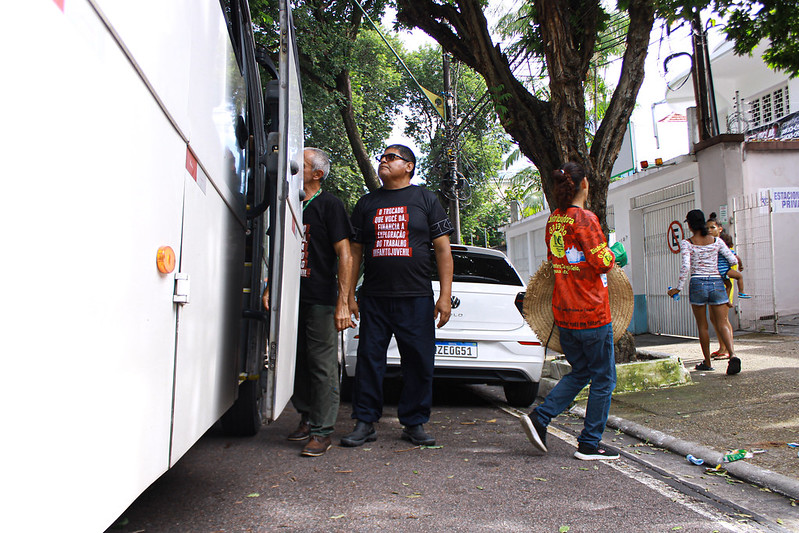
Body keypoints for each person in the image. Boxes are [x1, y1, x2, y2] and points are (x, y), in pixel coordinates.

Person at [341, 144, 454, 448]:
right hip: (375, 298)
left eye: (391, 157)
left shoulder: (426, 199)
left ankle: (414, 422)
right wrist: (349, 294)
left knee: (418, 361)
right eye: (382, 157)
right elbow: (354, 251)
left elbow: (443, 249)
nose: (384, 161)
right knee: (368, 360)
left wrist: (445, 296)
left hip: (416, 297)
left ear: (409, 166)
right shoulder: (367, 203)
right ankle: (365, 422)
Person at [520, 162, 620, 461]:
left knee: (583, 371)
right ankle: (589, 443)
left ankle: (541, 417)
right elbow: (602, 262)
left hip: (564, 312)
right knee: (604, 378)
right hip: (591, 311)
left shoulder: (555, 220)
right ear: (584, 184)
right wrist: (614, 250)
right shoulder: (585, 219)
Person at [267, 147, 353, 457]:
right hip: (291, 298)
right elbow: (277, 250)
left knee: (321, 365)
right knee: (297, 361)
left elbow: (346, 254)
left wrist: (344, 301)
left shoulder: (329, 205)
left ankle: (322, 430)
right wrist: (269, 289)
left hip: (320, 298)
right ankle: (306, 417)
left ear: (316, 173)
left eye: (300, 164)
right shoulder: (290, 205)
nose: (292, 167)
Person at [668, 209, 741, 375]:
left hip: (697, 283)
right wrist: (723, 273)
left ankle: (707, 362)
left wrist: (678, 288)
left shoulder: (688, 243)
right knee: (722, 322)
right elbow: (732, 259)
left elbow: (686, 266)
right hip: (716, 282)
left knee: (703, 326)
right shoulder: (716, 241)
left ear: (690, 225)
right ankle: (733, 355)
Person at [705, 215, 747, 360]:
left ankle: (728, 349)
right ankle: (722, 347)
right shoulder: (710, 243)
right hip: (712, 284)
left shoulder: (721, 244)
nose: (709, 230)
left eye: (712, 227)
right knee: (713, 318)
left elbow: (733, 259)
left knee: (722, 319)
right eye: (707, 228)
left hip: (723, 285)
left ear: (720, 229)